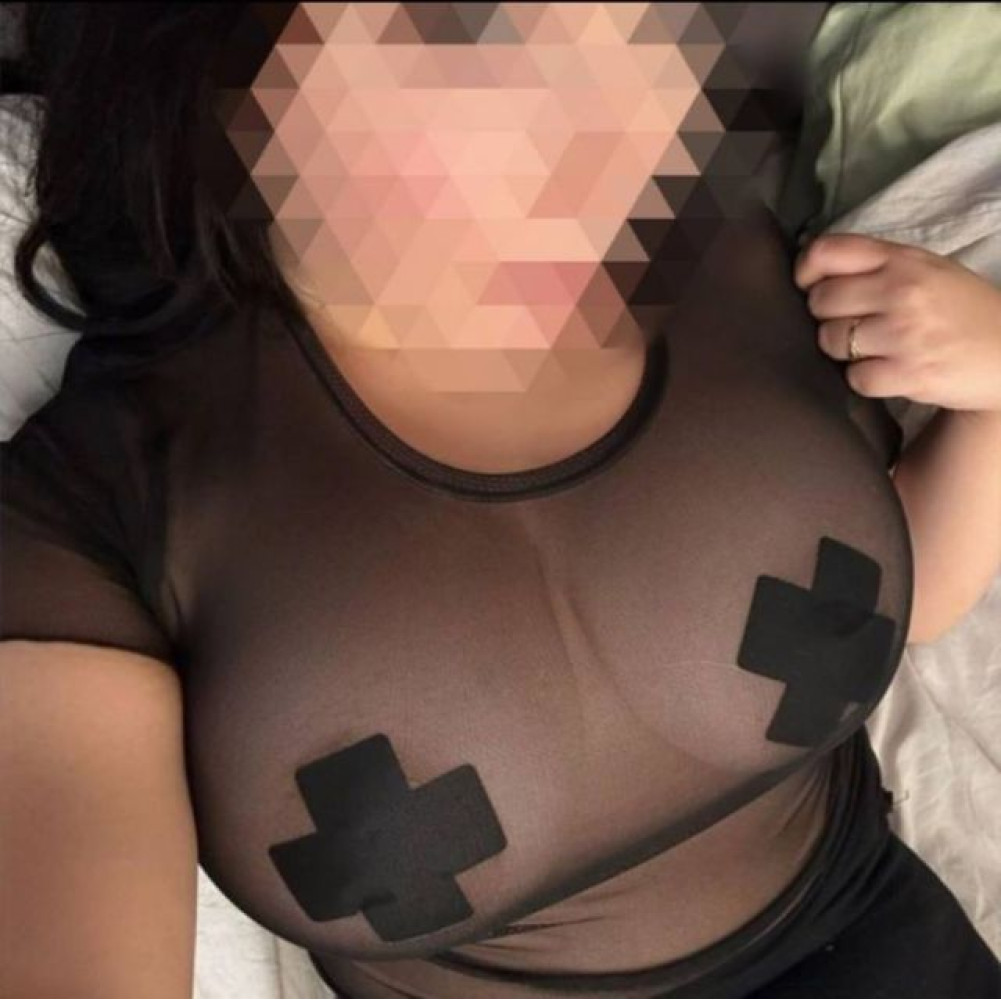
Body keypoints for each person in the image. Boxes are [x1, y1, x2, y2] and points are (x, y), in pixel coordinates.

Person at [1, 4, 999, 997]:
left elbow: (888, 597)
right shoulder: (91, 513)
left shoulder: (700, 243)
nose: (628, 116)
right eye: (471, 34)